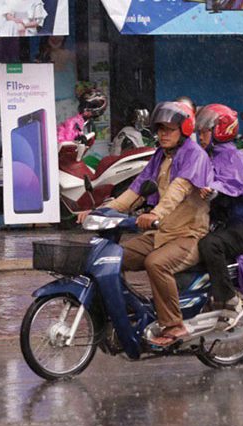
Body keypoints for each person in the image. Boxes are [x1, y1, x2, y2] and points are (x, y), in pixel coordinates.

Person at [77, 101, 213, 346]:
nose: (163, 134)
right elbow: (135, 191)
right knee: (111, 258)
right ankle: (130, 313)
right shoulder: (160, 156)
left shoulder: (195, 156)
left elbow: (178, 190)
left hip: (188, 235)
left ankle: (174, 325)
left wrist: (155, 214)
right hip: (160, 232)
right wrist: (99, 212)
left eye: (169, 129)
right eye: (159, 129)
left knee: (156, 263)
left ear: (184, 129)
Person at [195, 104, 243, 323]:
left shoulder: (234, 157)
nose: (200, 137)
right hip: (225, 224)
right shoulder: (206, 156)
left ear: (220, 131)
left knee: (210, 245)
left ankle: (227, 298)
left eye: (204, 132)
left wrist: (215, 190)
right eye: (198, 132)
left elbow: (235, 184)